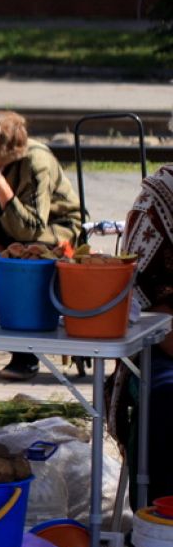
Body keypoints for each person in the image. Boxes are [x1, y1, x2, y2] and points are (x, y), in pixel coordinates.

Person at [0, 109, 82, 379]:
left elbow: (30, 228)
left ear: (4, 152)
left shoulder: (35, 162)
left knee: (23, 260)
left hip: (50, 229)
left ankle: (25, 355)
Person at [114, 165, 173, 509]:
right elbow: (139, 296)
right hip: (162, 344)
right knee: (168, 397)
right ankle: (161, 521)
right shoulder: (158, 200)